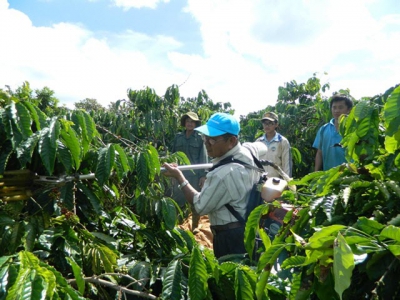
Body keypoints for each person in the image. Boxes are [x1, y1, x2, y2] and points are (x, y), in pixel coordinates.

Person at [163, 112, 266, 258]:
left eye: (212, 140)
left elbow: (200, 206)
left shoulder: (222, 175)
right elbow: (262, 147)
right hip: (248, 228)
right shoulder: (248, 151)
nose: (206, 143)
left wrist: (180, 177)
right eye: (205, 138)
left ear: (231, 141)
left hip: (230, 237)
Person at [170, 112, 208, 209]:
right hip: (179, 174)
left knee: (195, 202)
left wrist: (203, 176)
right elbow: (172, 155)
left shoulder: (199, 138)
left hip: (194, 176)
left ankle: (194, 224)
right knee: (178, 201)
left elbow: (203, 157)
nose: (190, 124)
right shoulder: (178, 137)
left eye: (192, 122)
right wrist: (172, 174)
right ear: (184, 123)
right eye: (188, 121)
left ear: (195, 124)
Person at [313, 94, 354, 171]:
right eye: (334, 107)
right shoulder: (324, 129)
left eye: (340, 107)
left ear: (349, 110)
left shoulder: (354, 129)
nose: (336, 111)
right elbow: (319, 153)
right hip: (329, 176)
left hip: (350, 176)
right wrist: (316, 172)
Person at [256, 112, 292, 178]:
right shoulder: (258, 142)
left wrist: (288, 183)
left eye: (270, 123)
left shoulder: (282, 141)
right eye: (265, 123)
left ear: (276, 124)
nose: (267, 126)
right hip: (260, 181)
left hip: (277, 182)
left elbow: (287, 165)